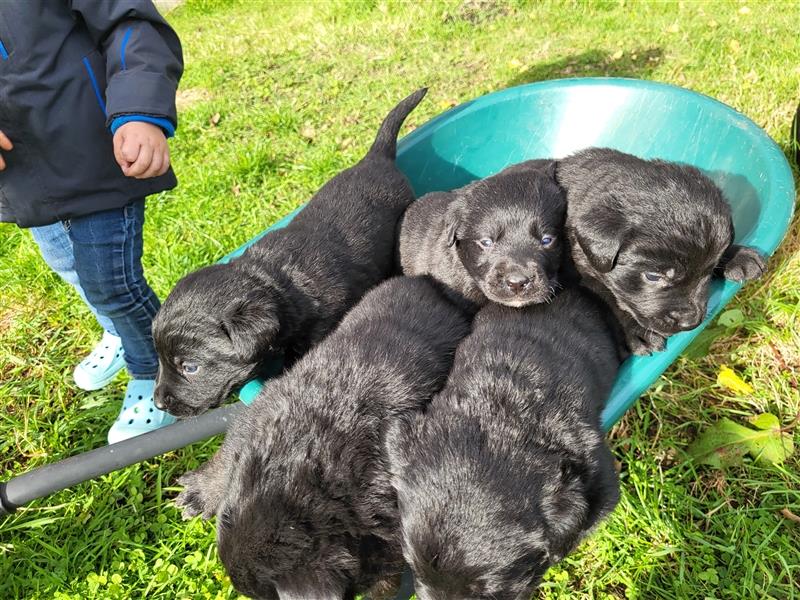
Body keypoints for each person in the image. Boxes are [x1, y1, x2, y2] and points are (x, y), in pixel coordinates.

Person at [0, 1, 183, 443]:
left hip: (95, 148)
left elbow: (129, 21)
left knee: (112, 283)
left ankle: (156, 374)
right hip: (24, 175)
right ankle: (117, 332)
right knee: (65, 264)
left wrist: (139, 109)